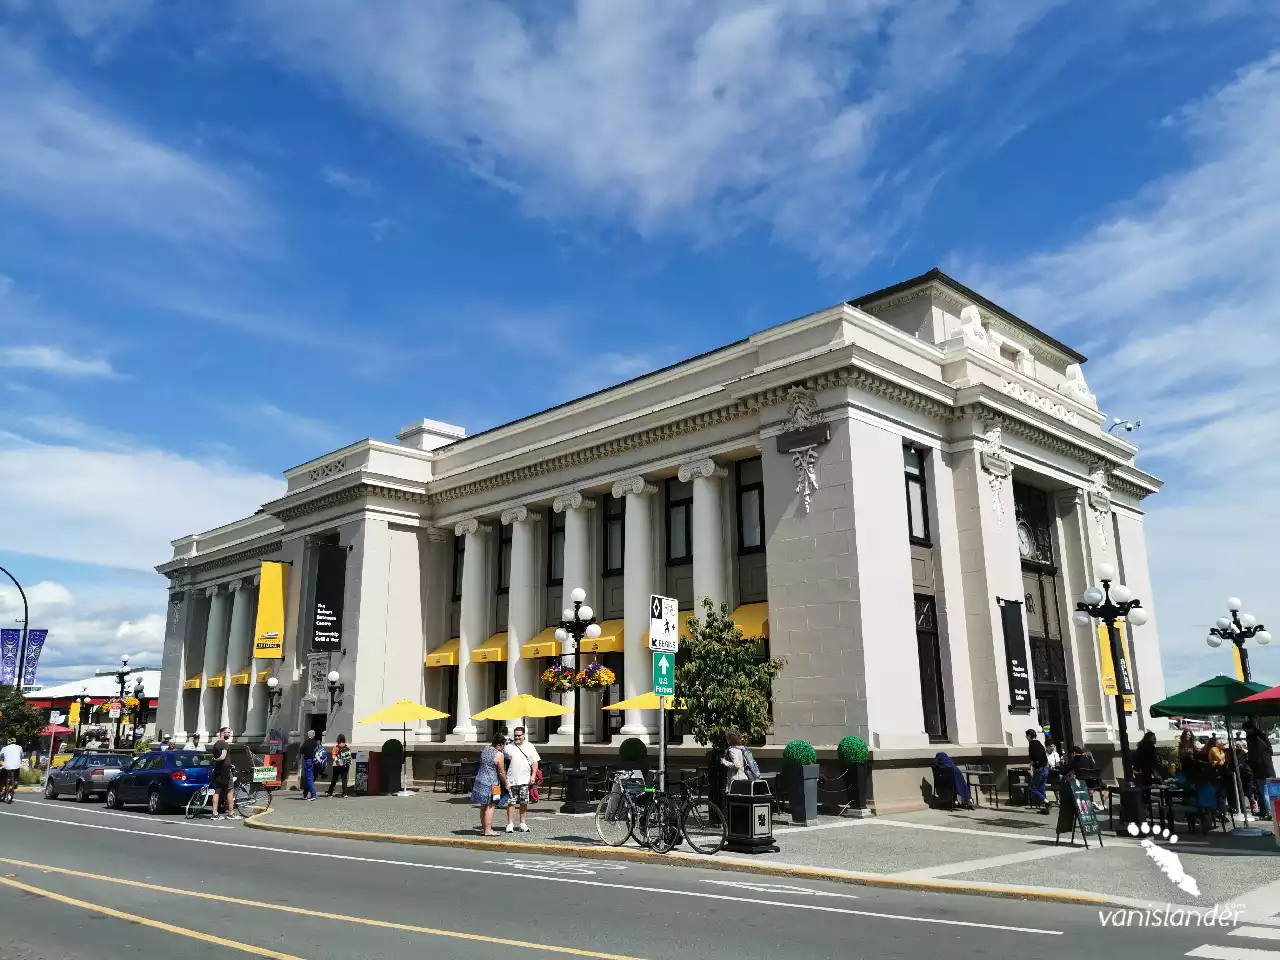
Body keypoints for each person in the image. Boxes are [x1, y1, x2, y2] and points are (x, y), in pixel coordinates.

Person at [470, 731, 509, 837]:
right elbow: (501, 772)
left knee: (483, 806)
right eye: (503, 746)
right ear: (500, 744)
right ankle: (488, 830)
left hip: (480, 780)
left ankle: (484, 828)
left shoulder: (486, 748)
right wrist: (506, 783)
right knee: (491, 806)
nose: (503, 749)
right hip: (493, 784)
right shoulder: (499, 754)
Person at [502, 726, 540, 832]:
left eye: (519, 735)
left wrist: (533, 776)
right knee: (511, 802)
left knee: (524, 802)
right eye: (515, 735)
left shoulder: (530, 746)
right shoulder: (509, 747)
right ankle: (510, 824)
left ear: (524, 735)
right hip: (511, 779)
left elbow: (535, 763)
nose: (517, 737)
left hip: (525, 779)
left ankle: (522, 823)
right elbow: (502, 762)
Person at [1244, 720, 1276, 815]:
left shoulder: (1255, 740)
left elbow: (1256, 757)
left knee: (1264, 792)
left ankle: (1270, 812)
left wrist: (1249, 762)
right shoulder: (1262, 738)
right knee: (1270, 792)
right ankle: (1272, 811)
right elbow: (1270, 752)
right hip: (1268, 769)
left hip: (1261, 770)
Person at [210, 727, 235, 819]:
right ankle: (231, 813)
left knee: (217, 791)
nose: (229, 734)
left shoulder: (216, 744)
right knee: (230, 790)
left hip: (218, 769)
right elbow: (223, 757)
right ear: (222, 733)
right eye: (228, 732)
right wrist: (217, 759)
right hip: (225, 771)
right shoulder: (224, 744)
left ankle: (214, 813)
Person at [1026, 729, 1050, 814]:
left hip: (1039, 769)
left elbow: (1035, 758)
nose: (1026, 737)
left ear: (1029, 736)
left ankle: (1046, 801)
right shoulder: (1039, 744)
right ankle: (1045, 809)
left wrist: (1030, 765)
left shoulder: (1032, 745)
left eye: (1026, 736)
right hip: (1045, 768)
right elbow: (1044, 757)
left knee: (1033, 788)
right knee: (1041, 789)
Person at [299, 729, 320, 801]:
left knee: (309, 778)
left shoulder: (306, 743)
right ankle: (305, 794)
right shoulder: (317, 743)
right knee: (309, 778)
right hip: (316, 762)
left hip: (308, 761)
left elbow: (301, 751)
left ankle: (313, 794)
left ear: (308, 735)